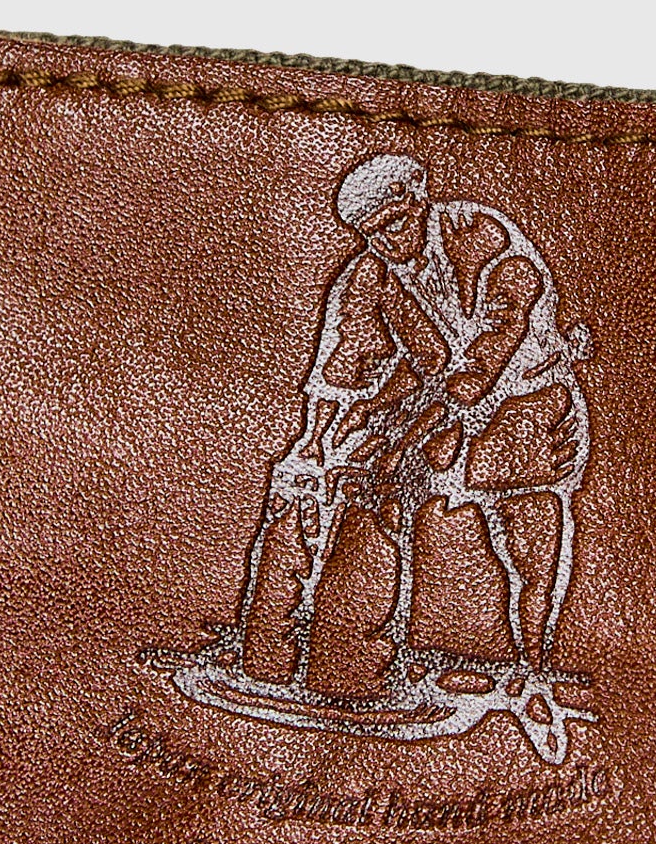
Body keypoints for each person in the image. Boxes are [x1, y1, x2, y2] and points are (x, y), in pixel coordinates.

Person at [160, 153, 595, 763]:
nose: (386, 242)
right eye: (372, 233)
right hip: (443, 393)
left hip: (527, 403)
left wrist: (412, 433)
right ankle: (334, 655)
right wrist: (320, 440)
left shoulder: (487, 243)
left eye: (393, 225)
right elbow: (351, 360)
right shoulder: (377, 272)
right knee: (368, 485)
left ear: (419, 200)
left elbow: (487, 355)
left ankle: (531, 669)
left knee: (526, 537)